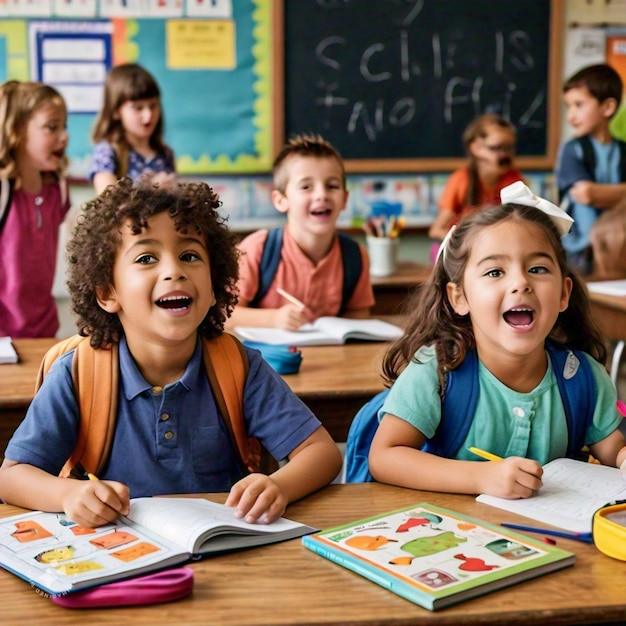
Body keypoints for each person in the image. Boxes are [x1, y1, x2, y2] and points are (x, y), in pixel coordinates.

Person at [0, 178, 342, 528]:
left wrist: (278, 485)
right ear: (107, 293)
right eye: (146, 257)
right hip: (121, 558)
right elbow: (11, 477)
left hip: (226, 554)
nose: (174, 271)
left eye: (189, 255)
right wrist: (66, 495)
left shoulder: (238, 367)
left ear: (214, 288)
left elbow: (323, 453)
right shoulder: (78, 374)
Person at [368, 182, 626, 498]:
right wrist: (480, 477)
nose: (521, 282)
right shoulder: (437, 371)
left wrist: (622, 457)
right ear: (459, 297)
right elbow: (384, 456)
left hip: (551, 539)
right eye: (494, 272)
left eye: (537, 268)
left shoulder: (582, 377)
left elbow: (613, 449)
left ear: (563, 293)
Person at [227, 133, 374, 331]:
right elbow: (224, 314)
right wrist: (273, 319)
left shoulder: (355, 256)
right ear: (281, 200)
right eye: (306, 187)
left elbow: (358, 317)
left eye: (332, 186)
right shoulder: (257, 250)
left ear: (345, 199)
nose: (322, 195)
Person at [0, 80, 71, 338]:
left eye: (64, 126)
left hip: (44, 332)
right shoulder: (3, 191)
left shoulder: (57, 190)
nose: (64, 136)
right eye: (51, 127)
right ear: (17, 131)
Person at [556, 63, 626, 276]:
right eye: (569, 107)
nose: (571, 115)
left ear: (607, 108)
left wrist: (601, 194)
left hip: (617, 250)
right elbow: (586, 194)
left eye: (579, 105)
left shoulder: (622, 150)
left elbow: (595, 194)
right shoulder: (572, 150)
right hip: (578, 250)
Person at [428, 114, 524, 261]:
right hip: (463, 250)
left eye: (509, 148)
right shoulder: (461, 180)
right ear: (476, 148)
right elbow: (436, 230)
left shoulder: (514, 180)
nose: (505, 155)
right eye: (497, 148)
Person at [89, 63, 175, 196]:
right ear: (116, 111)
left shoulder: (165, 153)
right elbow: (107, 203)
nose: (148, 116)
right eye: (137, 108)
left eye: (153, 106)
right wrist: (148, 190)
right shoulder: (107, 152)